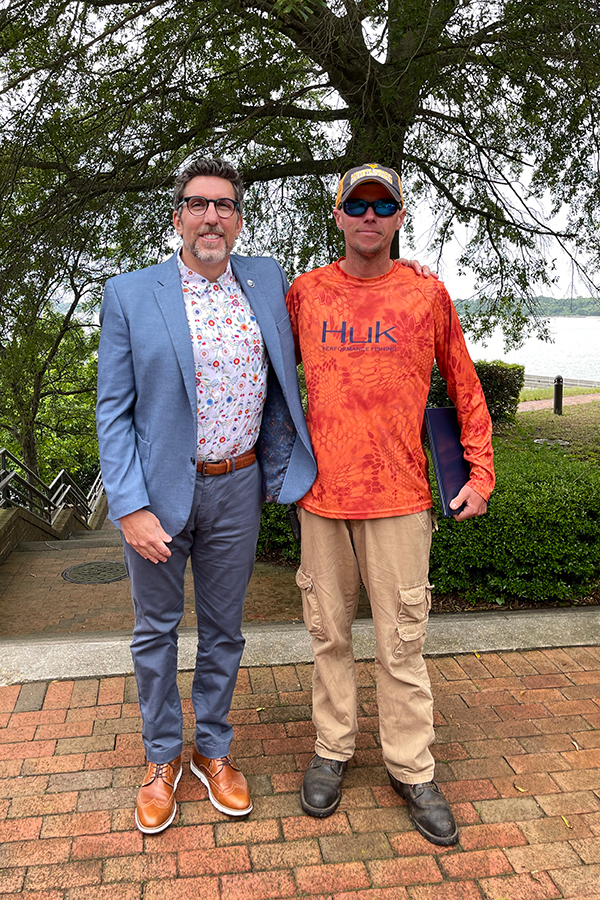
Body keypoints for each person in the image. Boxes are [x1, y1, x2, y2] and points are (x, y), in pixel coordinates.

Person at [95, 157, 317, 834]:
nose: (210, 217)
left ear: (239, 218)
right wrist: (129, 506)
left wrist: (407, 268)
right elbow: (113, 410)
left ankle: (213, 750)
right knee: (156, 633)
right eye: (197, 204)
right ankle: (162, 759)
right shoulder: (132, 293)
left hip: (239, 485)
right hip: (160, 494)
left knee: (225, 631)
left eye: (223, 205)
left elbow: (339, 299)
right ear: (178, 218)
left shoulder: (267, 279)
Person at [286, 163, 495, 846]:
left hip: (402, 498)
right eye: (357, 203)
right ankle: (333, 750)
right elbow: (264, 379)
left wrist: (481, 473)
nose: (369, 215)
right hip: (323, 499)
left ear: (400, 217)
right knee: (329, 636)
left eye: (383, 204)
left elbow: (465, 385)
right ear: (339, 214)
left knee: (404, 642)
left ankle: (412, 766)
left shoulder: (426, 294)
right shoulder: (304, 293)